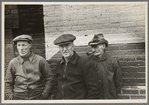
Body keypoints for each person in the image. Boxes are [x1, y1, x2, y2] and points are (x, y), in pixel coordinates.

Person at [5, 34, 54, 100]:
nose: (21, 48)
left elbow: (49, 78)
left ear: (30, 45)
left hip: (37, 95)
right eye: (18, 45)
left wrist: (44, 95)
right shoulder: (13, 63)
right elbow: (8, 83)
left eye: (23, 45)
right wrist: (11, 97)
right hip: (18, 97)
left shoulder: (40, 60)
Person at [53, 34, 101, 99]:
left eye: (67, 46)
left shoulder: (85, 64)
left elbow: (94, 90)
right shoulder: (59, 65)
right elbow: (56, 86)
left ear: (73, 46)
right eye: (61, 46)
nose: (64, 49)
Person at [87, 33, 122, 99]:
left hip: (108, 97)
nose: (94, 50)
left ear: (103, 46)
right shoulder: (87, 61)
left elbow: (118, 82)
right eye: (92, 47)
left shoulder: (113, 61)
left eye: (96, 47)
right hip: (93, 98)